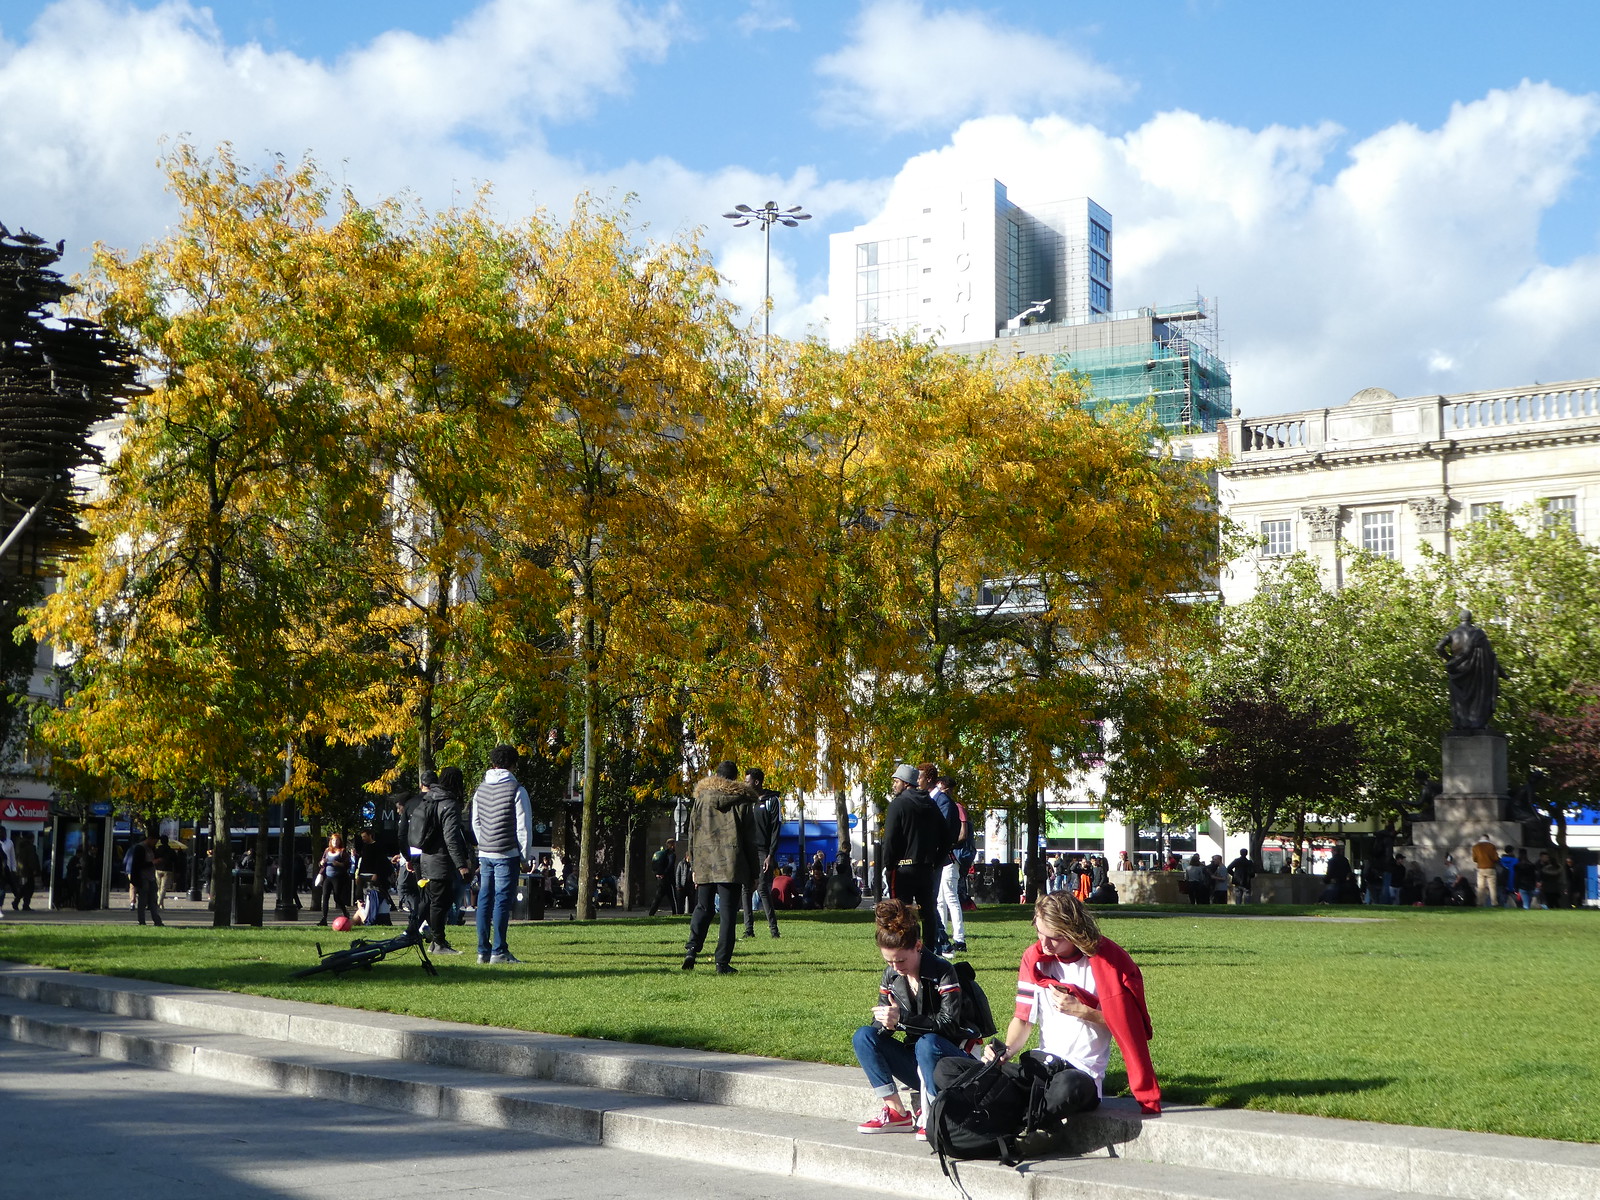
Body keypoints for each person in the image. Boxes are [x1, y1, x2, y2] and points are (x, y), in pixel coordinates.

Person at [984, 891, 1161, 1116]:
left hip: (1082, 1073)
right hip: (1044, 1064)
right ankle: (1022, 1114)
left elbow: (1130, 1028)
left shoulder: (1107, 962)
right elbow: (1023, 1019)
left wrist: (1084, 1011)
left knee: (1066, 1088)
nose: (1044, 943)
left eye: (1055, 937)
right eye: (1039, 932)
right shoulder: (1033, 958)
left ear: (1073, 930)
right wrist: (1005, 1052)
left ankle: (1025, 1118)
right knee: (955, 1070)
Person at [850, 899, 976, 1136]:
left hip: (950, 1061)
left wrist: (902, 1019)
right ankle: (896, 1111)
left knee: (927, 1043)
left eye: (900, 960)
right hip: (916, 1062)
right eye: (888, 961)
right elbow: (882, 1027)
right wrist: (886, 1024)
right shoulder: (891, 976)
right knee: (864, 1037)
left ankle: (937, 1114)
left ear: (918, 946)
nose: (895, 967)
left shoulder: (943, 972)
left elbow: (948, 1026)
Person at [682, 760, 758, 974]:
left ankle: (691, 949)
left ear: (715, 775)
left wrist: (694, 863)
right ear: (734, 778)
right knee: (728, 914)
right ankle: (721, 962)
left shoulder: (701, 799)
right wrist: (754, 872)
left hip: (705, 860)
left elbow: (692, 832)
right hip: (731, 863)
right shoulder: (742, 801)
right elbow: (750, 840)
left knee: (703, 907)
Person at [471, 745, 534, 965]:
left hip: (485, 852)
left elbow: (476, 822)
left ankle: (482, 951)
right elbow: (523, 826)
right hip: (507, 852)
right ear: (513, 764)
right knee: (501, 901)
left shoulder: (480, 790)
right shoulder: (516, 789)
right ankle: (499, 950)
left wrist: (484, 842)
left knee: (484, 899)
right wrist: (525, 856)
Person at [881, 762, 951, 951]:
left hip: (902, 869)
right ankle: (928, 951)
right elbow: (947, 836)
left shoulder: (898, 804)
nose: (894, 785)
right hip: (926, 868)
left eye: (896, 781)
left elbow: (889, 839)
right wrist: (936, 861)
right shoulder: (930, 803)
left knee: (901, 913)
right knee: (927, 912)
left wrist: (888, 865)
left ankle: (907, 948)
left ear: (905, 783)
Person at [404, 769, 473, 954]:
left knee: (432, 900)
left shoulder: (430, 799)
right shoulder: (449, 804)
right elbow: (451, 838)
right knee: (439, 903)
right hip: (440, 860)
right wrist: (462, 865)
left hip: (425, 857)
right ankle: (439, 943)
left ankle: (426, 937)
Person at [1436, 612, 1508, 731]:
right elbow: (1490, 656)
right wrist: (1502, 673)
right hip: (1476, 671)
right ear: (1470, 619)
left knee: (1459, 700)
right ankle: (1477, 723)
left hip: (1457, 670)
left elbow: (1438, 648)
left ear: (1460, 619)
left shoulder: (1453, 633)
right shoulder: (1478, 634)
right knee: (1478, 698)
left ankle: (1461, 724)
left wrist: (1451, 660)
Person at [930, 774, 969, 952]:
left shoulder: (952, 805)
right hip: (947, 857)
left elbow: (962, 833)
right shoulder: (948, 803)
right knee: (940, 899)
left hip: (951, 858)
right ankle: (943, 933)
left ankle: (959, 938)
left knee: (950, 897)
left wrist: (948, 845)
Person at [741, 769, 781, 938]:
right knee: (746, 888)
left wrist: (770, 854)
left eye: (747, 781)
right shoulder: (746, 801)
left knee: (763, 888)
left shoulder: (772, 800)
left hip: (763, 850)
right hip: (747, 849)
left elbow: (775, 829)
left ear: (756, 782)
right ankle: (748, 930)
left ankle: (774, 930)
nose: (745, 784)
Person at [129, 830, 164, 927]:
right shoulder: (140, 848)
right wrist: (152, 863)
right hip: (143, 877)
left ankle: (157, 921)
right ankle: (142, 921)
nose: (155, 843)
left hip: (151, 877)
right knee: (143, 900)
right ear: (150, 839)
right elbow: (138, 864)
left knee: (153, 899)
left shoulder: (151, 848)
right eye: (155, 841)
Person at [317, 834, 353, 925]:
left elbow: (348, 864)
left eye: (337, 841)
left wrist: (339, 864)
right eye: (333, 841)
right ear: (330, 841)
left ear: (340, 841)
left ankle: (345, 912)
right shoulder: (327, 850)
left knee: (337, 897)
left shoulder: (342, 851)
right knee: (325, 897)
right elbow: (321, 863)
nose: (335, 842)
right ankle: (324, 919)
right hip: (328, 877)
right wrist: (321, 863)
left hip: (338, 877)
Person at [648, 838, 680, 916]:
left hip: (661, 880)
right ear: (672, 846)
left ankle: (651, 913)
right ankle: (675, 913)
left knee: (658, 897)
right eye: (674, 844)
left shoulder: (663, 853)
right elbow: (670, 865)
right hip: (668, 879)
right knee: (672, 897)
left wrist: (660, 874)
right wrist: (664, 874)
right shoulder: (672, 854)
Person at [11, 831, 40, 911]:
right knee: (29, 888)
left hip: (22, 870)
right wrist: (34, 869)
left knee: (24, 887)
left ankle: (17, 902)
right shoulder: (30, 847)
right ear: (31, 838)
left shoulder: (20, 846)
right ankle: (25, 904)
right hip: (28, 871)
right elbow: (32, 860)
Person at [1470, 833, 1499, 907]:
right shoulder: (1491, 846)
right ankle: (1494, 903)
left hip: (1480, 868)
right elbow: (1496, 858)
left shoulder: (1475, 847)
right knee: (1492, 887)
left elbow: (1474, 859)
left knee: (1480, 887)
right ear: (1488, 839)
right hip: (1491, 868)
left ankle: (1479, 903)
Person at [152, 836, 176, 909]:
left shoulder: (157, 850)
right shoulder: (171, 850)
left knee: (158, 887)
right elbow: (175, 860)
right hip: (167, 870)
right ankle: (160, 902)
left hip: (158, 869)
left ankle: (160, 903)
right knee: (163, 887)